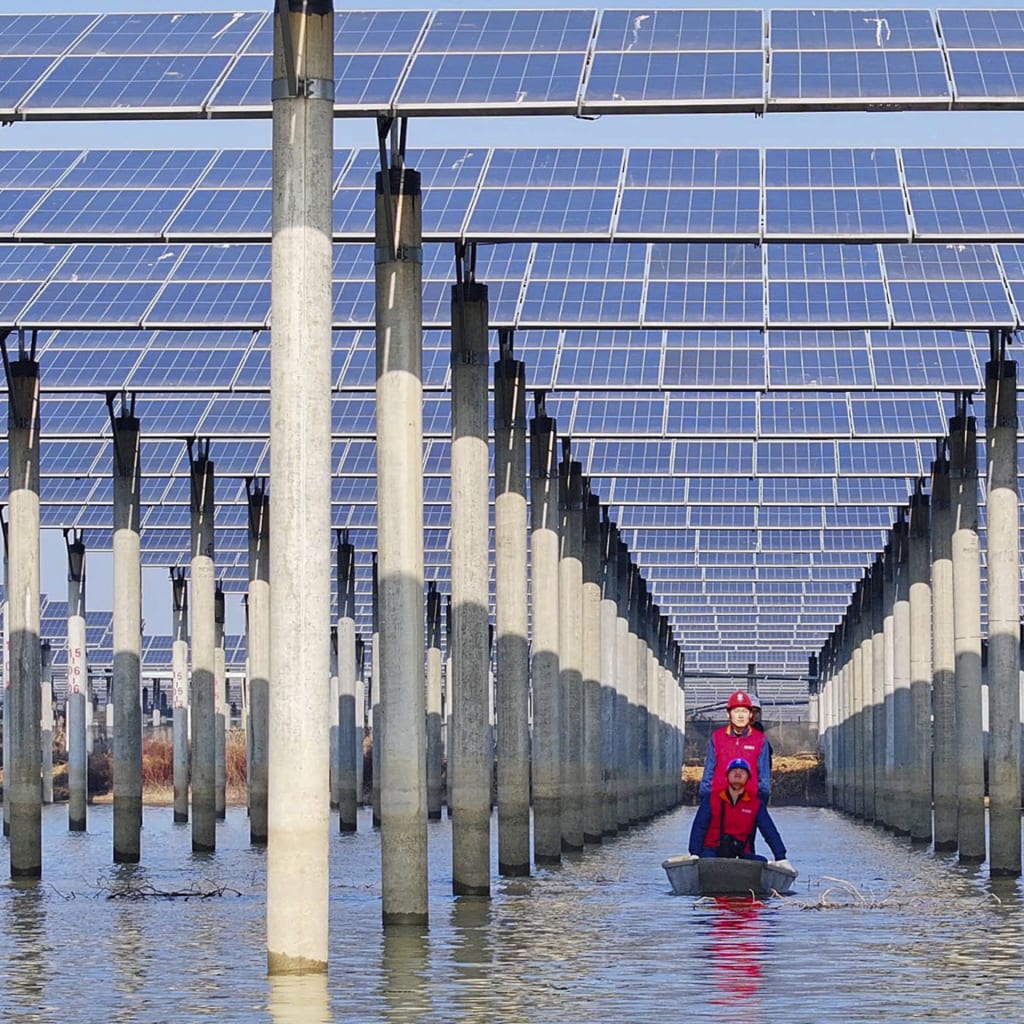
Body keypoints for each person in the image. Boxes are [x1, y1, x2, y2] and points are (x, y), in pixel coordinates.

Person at [688, 758, 791, 867]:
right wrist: (694, 853)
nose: (738, 772)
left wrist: (781, 857)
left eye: (742, 771)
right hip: (712, 852)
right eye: (734, 770)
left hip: (741, 853)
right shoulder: (712, 799)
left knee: (762, 862)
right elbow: (699, 827)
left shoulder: (755, 804)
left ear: (748, 777)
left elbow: (769, 831)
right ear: (727, 776)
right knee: (706, 860)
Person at [699, 690, 770, 803]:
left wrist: (760, 806)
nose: (740, 715)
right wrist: (705, 803)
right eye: (736, 711)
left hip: (749, 803)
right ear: (728, 714)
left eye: (744, 711)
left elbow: (764, 779)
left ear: (750, 714)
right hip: (720, 802)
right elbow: (708, 775)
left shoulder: (760, 740)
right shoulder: (717, 738)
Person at [748, 693, 774, 774]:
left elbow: (767, 752)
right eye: (750, 711)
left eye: (756, 712)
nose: (753, 715)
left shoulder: (758, 728)